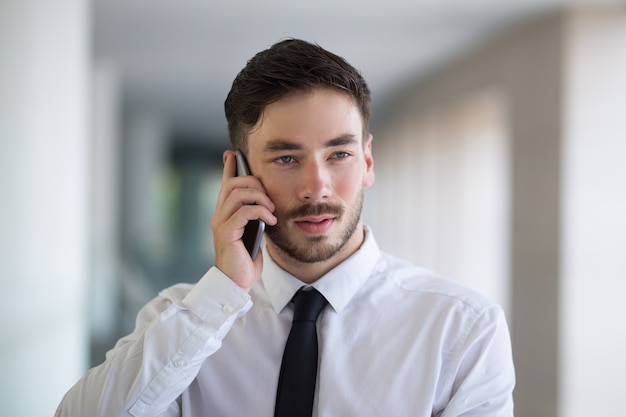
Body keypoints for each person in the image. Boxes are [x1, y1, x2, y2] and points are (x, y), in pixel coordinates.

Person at [55, 38, 515, 417]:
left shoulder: (462, 329)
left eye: (339, 154)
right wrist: (222, 292)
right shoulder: (183, 321)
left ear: (368, 160)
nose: (317, 187)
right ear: (238, 174)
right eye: (286, 158)